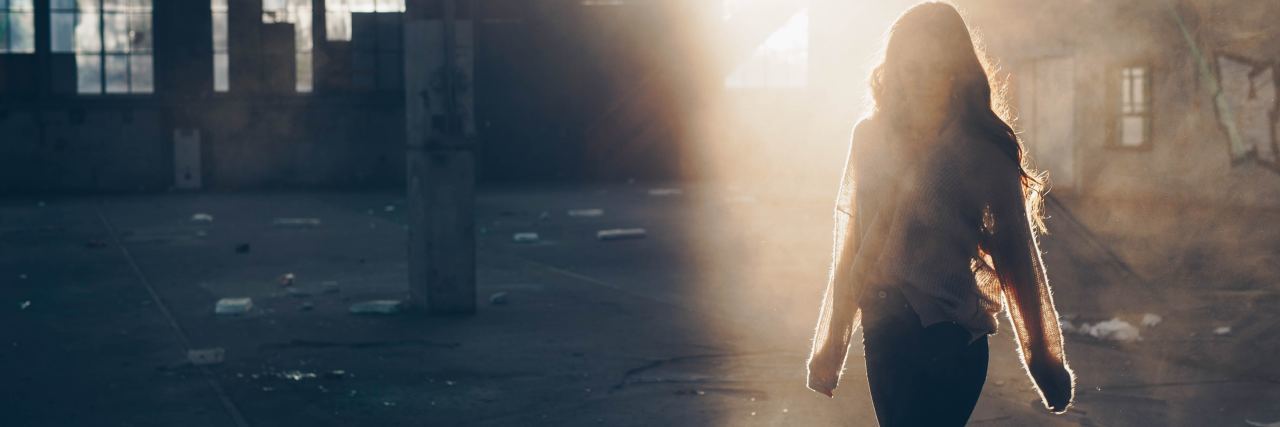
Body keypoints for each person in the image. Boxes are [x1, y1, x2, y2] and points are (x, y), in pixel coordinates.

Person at [805, 3, 1075, 426]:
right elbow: (854, 242)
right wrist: (830, 347)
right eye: (909, 67)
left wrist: (1045, 361)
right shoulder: (872, 139)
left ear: (955, 72)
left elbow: (1017, 259)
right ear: (894, 70)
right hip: (888, 330)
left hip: (955, 336)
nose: (919, 80)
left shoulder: (982, 150)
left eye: (934, 67)